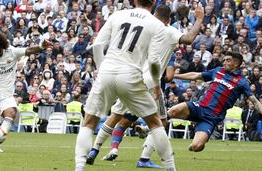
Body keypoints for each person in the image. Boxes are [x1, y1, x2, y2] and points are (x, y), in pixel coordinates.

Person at [86, 4, 204, 168]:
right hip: (150, 82)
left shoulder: (145, 27)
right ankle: (144, 159)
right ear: (168, 19)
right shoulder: (167, 31)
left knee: (116, 116)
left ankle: (94, 150)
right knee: (160, 123)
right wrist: (199, 19)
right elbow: (189, 39)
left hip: (131, 78)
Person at [74, 0, 178, 170]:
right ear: (153, 3)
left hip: (107, 71)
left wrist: (101, 68)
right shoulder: (157, 25)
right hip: (131, 75)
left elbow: (97, 45)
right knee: (155, 122)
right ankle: (170, 167)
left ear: (135, 0)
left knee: (89, 122)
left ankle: (79, 167)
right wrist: (156, 84)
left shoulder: (117, 15)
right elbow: (153, 61)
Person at [168, 52, 262, 152]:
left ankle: (200, 140)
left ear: (236, 63)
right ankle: (155, 126)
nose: (224, 62)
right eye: (224, 60)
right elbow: (195, 75)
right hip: (199, 107)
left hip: (211, 118)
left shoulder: (242, 82)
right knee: (172, 111)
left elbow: (254, 100)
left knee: (196, 146)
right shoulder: (218, 71)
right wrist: (174, 76)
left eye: (228, 60)